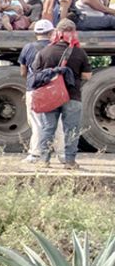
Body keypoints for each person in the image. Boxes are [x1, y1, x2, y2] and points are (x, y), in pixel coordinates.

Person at [27, 20, 92, 169]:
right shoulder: (79, 52)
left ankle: (44, 160)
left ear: (57, 33)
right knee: (71, 130)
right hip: (72, 96)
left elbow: (35, 74)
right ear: (74, 32)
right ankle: (69, 162)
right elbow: (87, 76)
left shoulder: (45, 52)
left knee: (47, 128)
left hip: (50, 97)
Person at [19, 19, 57, 164]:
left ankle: (35, 154)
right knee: (56, 122)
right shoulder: (56, 47)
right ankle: (62, 154)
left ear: (35, 33)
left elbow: (23, 71)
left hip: (34, 89)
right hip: (53, 90)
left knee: (36, 123)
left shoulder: (28, 48)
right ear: (51, 32)